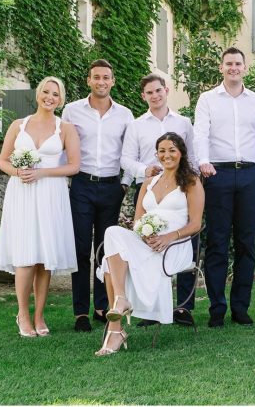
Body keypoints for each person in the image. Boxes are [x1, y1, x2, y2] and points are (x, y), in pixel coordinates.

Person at [93, 133, 204, 355]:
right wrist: (144, 235)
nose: (166, 155)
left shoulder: (191, 182)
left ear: (181, 153)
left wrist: (168, 237)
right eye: (161, 151)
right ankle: (121, 302)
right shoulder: (149, 182)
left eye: (172, 150)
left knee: (108, 262)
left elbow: (196, 224)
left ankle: (115, 330)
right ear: (156, 154)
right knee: (112, 232)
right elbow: (137, 221)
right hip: (146, 242)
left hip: (175, 246)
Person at [0, 76, 81, 338]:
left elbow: (74, 166)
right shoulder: (18, 125)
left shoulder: (65, 128)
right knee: (25, 256)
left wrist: (42, 172)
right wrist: (18, 172)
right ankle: (22, 314)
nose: (50, 97)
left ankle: (39, 314)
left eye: (55, 94)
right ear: (38, 94)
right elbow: (2, 161)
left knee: (45, 259)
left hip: (51, 194)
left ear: (61, 99)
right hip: (22, 194)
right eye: (46, 92)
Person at [194, 47, 255, 327]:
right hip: (218, 174)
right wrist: (203, 160)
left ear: (245, 67)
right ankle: (217, 307)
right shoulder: (207, 99)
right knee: (217, 243)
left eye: (238, 63)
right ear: (221, 67)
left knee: (246, 243)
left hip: (250, 174)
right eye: (229, 64)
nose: (234, 68)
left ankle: (240, 307)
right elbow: (200, 132)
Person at [121, 73, 199, 327]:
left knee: (184, 242)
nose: (155, 96)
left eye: (158, 91)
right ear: (144, 96)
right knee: (147, 244)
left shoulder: (184, 122)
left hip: (179, 190)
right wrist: (145, 172)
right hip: (151, 188)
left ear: (166, 91)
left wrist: (191, 185)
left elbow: (193, 157)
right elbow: (125, 159)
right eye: (149, 92)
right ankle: (150, 307)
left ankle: (184, 308)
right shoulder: (136, 125)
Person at [62, 60, 134, 332]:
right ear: (88, 80)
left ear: (113, 81)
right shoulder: (72, 111)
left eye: (106, 77)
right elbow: (62, 147)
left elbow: (130, 152)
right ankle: (81, 311)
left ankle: (102, 307)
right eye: (96, 77)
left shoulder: (125, 115)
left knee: (106, 250)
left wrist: (125, 183)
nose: (101, 81)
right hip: (81, 184)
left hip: (112, 187)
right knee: (81, 249)